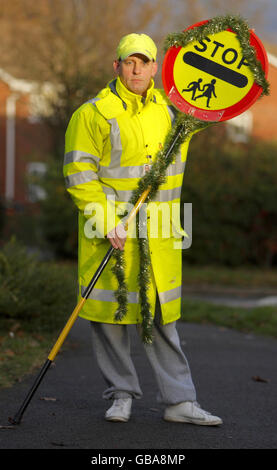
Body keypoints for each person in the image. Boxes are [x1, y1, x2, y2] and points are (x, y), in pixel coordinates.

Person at [64, 33, 222, 426]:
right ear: (116, 65)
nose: (136, 70)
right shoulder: (93, 113)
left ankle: (179, 402)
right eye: (128, 62)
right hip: (111, 234)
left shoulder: (172, 114)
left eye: (144, 62)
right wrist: (105, 222)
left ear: (156, 67)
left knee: (162, 319)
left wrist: (246, 82)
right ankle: (120, 396)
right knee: (110, 319)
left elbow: (214, 107)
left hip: (161, 235)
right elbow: (78, 174)